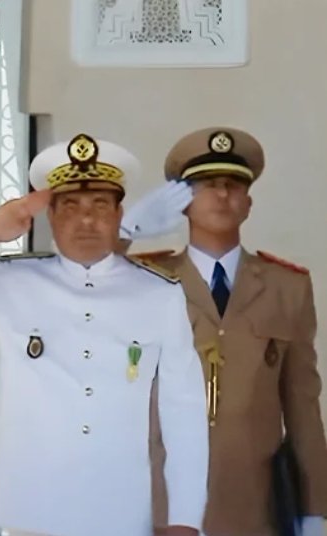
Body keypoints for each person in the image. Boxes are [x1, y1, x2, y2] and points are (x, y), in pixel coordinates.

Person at [0, 134, 209, 536]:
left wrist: (186, 518)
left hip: (119, 511)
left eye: (100, 205)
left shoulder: (158, 294)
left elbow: (183, 412)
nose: (86, 220)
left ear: (119, 214)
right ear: (50, 216)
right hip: (33, 511)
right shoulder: (12, 282)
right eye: (70, 206)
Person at [120, 126, 327, 536]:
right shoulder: (142, 279)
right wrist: (125, 235)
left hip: (252, 503)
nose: (221, 194)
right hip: (159, 500)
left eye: (233, 185)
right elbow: (84, 290)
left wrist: (314, 509)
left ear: (248, 203)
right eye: (206, 184)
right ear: (182, 202)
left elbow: (303, 407)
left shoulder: (286, 287)